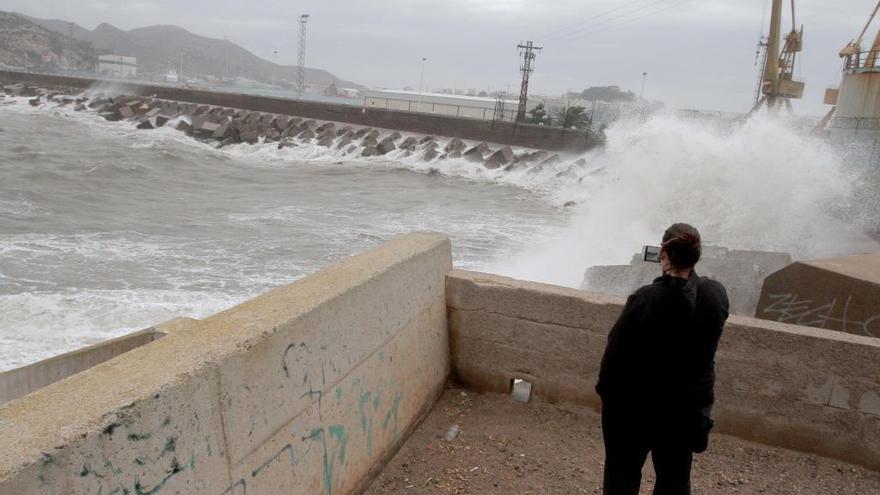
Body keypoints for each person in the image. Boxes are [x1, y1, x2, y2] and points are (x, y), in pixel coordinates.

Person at [595, 223, 730, 495]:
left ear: (664, 253)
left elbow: (613, 360)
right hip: (687, 410)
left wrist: (607, 396)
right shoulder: (715, 295)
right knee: (675, 479)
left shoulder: (646, 298)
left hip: (637, 410)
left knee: (622, 476)